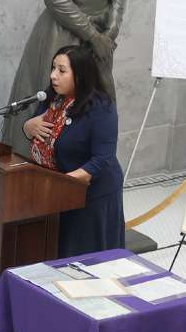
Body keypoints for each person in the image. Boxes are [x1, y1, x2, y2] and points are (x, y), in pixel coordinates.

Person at [3, 0, 132, 157]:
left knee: (99, 108)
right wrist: (93, 36)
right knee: (48, 107)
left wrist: (110, 32)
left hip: (102, 39)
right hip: (61, 34)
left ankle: (87, 179)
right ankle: (35, 179)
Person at [23, 44, 124, 258]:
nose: (53, 76)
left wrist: (63, 185)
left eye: (61, 71)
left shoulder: (101, 106)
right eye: (53, 68)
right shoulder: (53, 98)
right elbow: (37, 132)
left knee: (84, 260)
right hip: (58, 194)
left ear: (80, 75)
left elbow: (102, 159)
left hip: (92, 196)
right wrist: (27, 127)